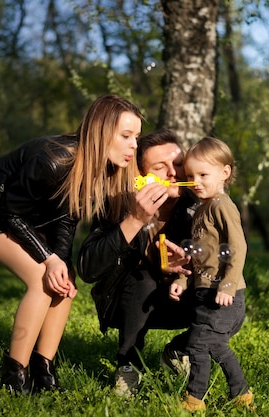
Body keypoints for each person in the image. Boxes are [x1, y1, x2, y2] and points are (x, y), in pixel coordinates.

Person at [0, 94, 143, 394]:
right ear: (101, 132)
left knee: (63, 283)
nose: (134, 145)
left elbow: (67, 219)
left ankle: (44, 371)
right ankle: (13, 377)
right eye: (126, 136)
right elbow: (7, 212)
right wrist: (48, 258)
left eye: (136, 136)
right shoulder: (53, 159)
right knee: (41, 281)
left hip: (27, 218)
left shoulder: (99, 172)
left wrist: (61, 261)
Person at [78, 129, 198, 396]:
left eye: (178, 164)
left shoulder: (199, 206)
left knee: (231, 297)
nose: (174, 173)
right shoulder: (119, 205)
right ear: (142, 177)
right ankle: (128, 367)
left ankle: (179, 350)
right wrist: (133, 220)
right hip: (127, 303)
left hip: (180, 298)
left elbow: (227, 260)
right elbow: (87, 268)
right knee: (141, 278)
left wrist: (185, 268)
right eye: (160, 167)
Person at [169, 136, 254, 411]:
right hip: (205, 294)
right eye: (191, 176)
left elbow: (238, 246)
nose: (196, 181)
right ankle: (241, 394)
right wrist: (183, 279)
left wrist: (227, 286)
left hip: (223, 295)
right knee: (213, 346)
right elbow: (198, 256)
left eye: (204, 174)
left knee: (197, 344)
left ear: (225, 173)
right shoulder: (201, 209)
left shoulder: (221, 205)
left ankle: (194, 398)